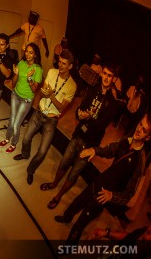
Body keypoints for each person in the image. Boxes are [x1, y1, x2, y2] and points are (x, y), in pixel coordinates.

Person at [55, 114, 151, 245]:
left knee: (82, 220)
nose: (139, 129)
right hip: (100, 181)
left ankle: (68, 247)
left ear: (148, 137)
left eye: (144, 130)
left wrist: (112, 196)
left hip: (104, 195)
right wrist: (94, 150)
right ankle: (66, 218)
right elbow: (109, 150)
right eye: (140, 124)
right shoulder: (126, 140)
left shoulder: (140, 160)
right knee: (77, 202)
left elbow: (130, 193)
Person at [40, 64, 119, 209]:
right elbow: (79, 108)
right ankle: (53, 184)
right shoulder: (93, 90)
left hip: (90, 144)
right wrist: (80, 114)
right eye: (105, 74)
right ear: (101, 74)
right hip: (78, 135)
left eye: (110, 76)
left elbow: (101, 126)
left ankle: (58, 196)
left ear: (113, 79)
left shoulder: (113, 104)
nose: (106, 78)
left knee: (74, 173)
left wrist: (88, 118)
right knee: (64, 162)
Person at [13, 50, 77, 185]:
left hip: (51, 120)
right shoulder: (52, 72)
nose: (60, 65)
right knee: (26, 138)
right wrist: (43, 93)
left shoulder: (72, 86)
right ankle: (25, 154)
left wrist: (51, 95)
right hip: (39, 112)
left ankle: (31, 170)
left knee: (42, 151)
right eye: (59, 62)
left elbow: (61, 108)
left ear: (70, 66)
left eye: (64, 63)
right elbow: (42, 93)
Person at [0, 43, 43, 153]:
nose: (27, 54)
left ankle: (13, 143)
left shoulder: (38, 69)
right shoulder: (21, 63)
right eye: (26, 51)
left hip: (26, 99)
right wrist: (16, 74)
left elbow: (34, 90)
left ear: (35, 55)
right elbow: (13, 84)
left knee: (16, 123)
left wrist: (29, 78)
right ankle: (7, 138)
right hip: (15, 95)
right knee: (12, 120)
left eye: (31, 52)